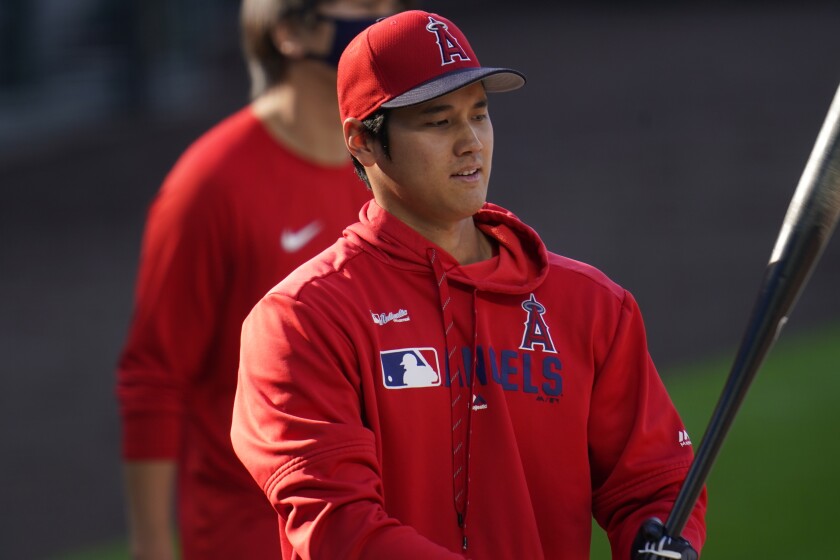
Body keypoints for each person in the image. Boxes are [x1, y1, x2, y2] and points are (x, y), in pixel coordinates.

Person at [231, 9, 707, 560]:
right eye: (438, 122)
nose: (470, 143)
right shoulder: (300, 322)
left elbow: (652, 484)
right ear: (362, 141)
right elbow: (340, 530)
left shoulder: (592, 306)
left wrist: (659, 538)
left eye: (478, 116)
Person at [115, 1, 409, 559]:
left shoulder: (399, 169)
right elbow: (154, 376)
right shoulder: (210, 183)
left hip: (381, 532)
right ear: (292, 31)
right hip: (250, 536)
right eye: (362, 6)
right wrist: (151, 543)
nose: (381, 21)